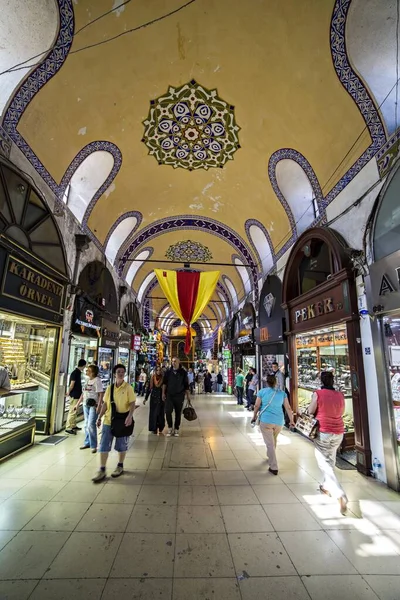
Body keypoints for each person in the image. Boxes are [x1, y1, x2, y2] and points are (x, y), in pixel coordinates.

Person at [308, 371, 348, 514]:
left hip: (324, 431)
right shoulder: (340, 395)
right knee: (330, 460)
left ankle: (339, 494)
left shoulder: (318, 393)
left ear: (321, 381)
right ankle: (326, 486)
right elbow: (342, 412)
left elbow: (311, 410)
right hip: (338, 432)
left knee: (323, 462)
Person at [92, 364, 136, 482]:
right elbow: (105, 404)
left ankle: (120, 465)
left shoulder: (128, 388)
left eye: (122, 372)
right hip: (108, 420)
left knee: (121, 445)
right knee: (104, 445)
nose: (120, 374)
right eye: (118, 372)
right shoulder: (109, 388)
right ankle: (102, 469)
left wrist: (130, 416)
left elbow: (132, 403)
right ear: (114, 374)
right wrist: (99, 417)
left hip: (122, 420)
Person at [252, 374, 295, 475]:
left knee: (270, 443)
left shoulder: (262, 392)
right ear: (276, 382)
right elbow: (288, 408)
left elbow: (257, 405)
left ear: (267, 382)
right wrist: (291, 420)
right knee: (273, 439)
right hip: (279, 422)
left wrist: (254, 416)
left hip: (266, 421)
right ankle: (270, 455)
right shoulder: (282, 393)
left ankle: (273, 466)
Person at [74, 364, 104, 453]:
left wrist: (99, 406)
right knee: (86, 424)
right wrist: (77, 404)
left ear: (92, 372)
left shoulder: (97, 380)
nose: (86, 371)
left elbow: (101, 394)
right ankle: (87, 442)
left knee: (91, 424)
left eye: (88, 370)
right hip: (85, 404)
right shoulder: (87, 380)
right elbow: (83, 393)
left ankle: (94, 445)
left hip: (94, 405)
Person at [162, 357, 190, 437]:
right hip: (169, 395)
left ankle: (176, 428)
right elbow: (164, 383)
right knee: (168, 411)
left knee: (178, 413)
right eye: (172, 361)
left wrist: (188, 396)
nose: (173, 363)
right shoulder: (168, 372)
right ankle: (170, 428)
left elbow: (186, 385)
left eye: (175, 361)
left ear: (179, 362)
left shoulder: (183, 373)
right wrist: (163, 393)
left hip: (179, 395)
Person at [65, 359, 87, 435]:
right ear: (84, 365)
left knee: (75, 411)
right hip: (74, 395)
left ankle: (73, 425)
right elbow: (72, 384)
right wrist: (69, 392)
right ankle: (68, 427)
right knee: (72, 411)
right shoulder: (75, 373)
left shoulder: (78, 372)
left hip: (77, 394)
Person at [148, 365, 165, 435]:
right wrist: (145, 398)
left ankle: (160, 427)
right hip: (154, 397)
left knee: (160, 413)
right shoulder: (152, 377)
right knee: (153, 413)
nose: (158, 371)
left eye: (159, 370)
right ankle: (154, 428)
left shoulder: (163, 378)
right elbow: (149, 388)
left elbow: (165, 387)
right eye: (157, 370)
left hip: (161, 397)